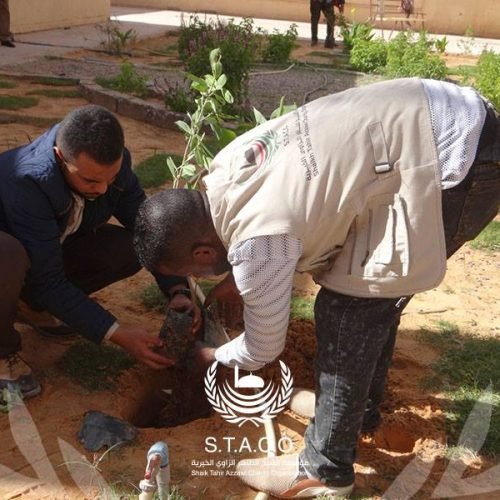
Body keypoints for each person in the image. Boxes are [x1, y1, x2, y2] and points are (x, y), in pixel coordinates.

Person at [134, 78, 500, 498]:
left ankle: (324, 469)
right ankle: (353, 415)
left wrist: (211, 355)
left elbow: (263, 347)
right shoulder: (226, 168)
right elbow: (295, 210)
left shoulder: (257, 243)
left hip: (455, 161)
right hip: (439, 116)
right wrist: (242, 278)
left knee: (348, 309)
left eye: (194, 273)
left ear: (202, 252)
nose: (200, 279)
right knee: (371, 297)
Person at [0, 105, 198, 399]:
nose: (104, 189)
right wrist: (116, 332)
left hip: (36, 257)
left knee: (129, 247)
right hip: (8, 260)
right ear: (59, 157)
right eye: (91, 181)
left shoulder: (114, 167)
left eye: (111, 178)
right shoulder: (27, 181)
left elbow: (147, 229)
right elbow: (48, 281)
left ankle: (33, 308)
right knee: (7, 255)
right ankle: (3, 352)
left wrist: (178, 289)